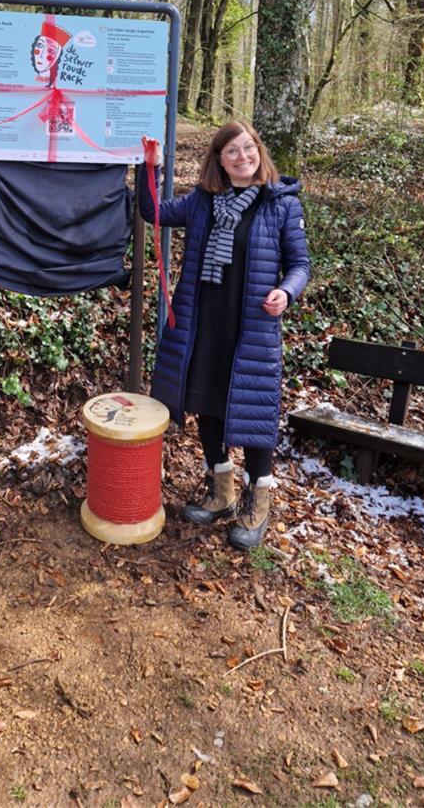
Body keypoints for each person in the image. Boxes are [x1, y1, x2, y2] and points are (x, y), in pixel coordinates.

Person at [139, 122, 310, 549]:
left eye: (247, 148)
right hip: (203, 321)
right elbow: (153, 212)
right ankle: (221, 492)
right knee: (206, 402)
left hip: (251, 324)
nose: (241, 157)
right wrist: (151, 169)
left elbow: (300, 265)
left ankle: (259, 503)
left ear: (259, 151)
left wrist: (285, 293)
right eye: (231, 151)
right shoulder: (203, 202)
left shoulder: (280, 205)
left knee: (253, 413)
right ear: (219, 159)